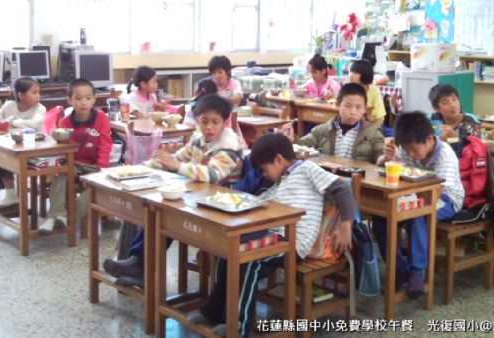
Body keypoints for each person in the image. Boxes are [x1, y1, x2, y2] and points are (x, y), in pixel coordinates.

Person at [187, 133, 356, 337]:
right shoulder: (280, 182)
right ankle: (213, 311)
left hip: (293, 242)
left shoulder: (307, 169)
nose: (264, 174)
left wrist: (346, 227)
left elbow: (343, 190)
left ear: (279, 159)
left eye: (265, 168)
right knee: (229, 253)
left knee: (251, 262)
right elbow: (261, 201)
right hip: (273, 236)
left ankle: (239, 326)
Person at [102, 94, 244, 287]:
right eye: (204, 121)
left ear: (225, 123)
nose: (209, 127)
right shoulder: (198, 139)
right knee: (156, 212)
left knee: (165, 216)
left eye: (215, 122)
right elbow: (175, 158)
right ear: (197, 120)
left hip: (223, 208)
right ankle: (138, 265)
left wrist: (176, 165)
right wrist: (140, 169)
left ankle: (139, 266)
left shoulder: (229, 146)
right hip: (200, 199)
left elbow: (212, 175)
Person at [373, 111, 464, 298]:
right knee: (381, 215)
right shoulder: (407, 146)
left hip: (447, 198)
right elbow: (383, 165)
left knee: (419, 214)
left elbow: (437, 192)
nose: (410, 154)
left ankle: (416, 272)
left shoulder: (444, 155)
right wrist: (386, 158)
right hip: (412, 195)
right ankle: (399, 268)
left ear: (430, 139)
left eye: (414, 150)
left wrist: (409, 201)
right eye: (406, 149)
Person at [39, 78, 113, 233]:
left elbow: (105, 145)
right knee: (60, 174)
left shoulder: (102, 118)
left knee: (95, 189)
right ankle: (56, 215)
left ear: (94, 99)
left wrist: (102, 168)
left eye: (88, 98)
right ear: (69, 100)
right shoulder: (65, 122)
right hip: (74, 163)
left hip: (95, 166)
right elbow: (65, 149)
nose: (83, 103)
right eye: (78, 98)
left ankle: (68, 218)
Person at [282, 82, 385, 163]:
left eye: (358, 107)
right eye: (348, 106)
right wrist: (291, 140)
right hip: (327, 177)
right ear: (337, 105)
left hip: (358, 179)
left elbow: (379, 157)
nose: (353, 112)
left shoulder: (373, 133)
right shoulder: (323, 130)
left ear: (365, 109)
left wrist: (386, 157)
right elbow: (302, 146)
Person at [0, 77, 47, 208]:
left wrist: (12, 123)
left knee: (3, 157)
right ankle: (10, 193)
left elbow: (34, 125)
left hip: (33, 149)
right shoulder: (9, 105)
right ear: (21, 95)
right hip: (13, 148)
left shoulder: (40, 108)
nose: (38, 96)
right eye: (34, 92)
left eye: (39, 92)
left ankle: (2, 187)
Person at [350, 59, 386, 125]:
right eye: (351, 72)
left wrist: (372, 130)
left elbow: (380, 119)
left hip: (373, 125)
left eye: (355, 73)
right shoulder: (349, 90)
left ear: (365, 75)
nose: (351, 75)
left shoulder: (374, 91)